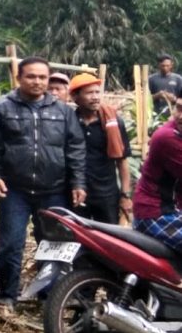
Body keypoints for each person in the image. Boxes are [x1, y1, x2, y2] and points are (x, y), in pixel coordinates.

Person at [0, 57, 86, 311]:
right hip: (15, 189)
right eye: (31, 76)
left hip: (54, 189)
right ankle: (7, 295)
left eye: (42, 77)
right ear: (19, 78)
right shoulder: (0, 108)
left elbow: (75, 149)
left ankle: (48, 295)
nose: (37, 82)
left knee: (52, 245)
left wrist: (77, 182)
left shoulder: (62, 112)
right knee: (11, 243)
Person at [69, 72, 132, 226]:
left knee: (109, 238)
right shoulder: (69, 122)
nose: (95, 97)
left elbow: (122, 161)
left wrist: (125, 195)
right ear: (76, 98)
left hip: (106, 193)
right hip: (75, 192)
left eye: (97, 92)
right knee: (77, 237)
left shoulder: (114, 123)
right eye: (89, 93)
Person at [133, 98, 182, 250]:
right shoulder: (168, 137)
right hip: (156, 213)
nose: (180, 116)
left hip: (170, 209)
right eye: (179, 108)